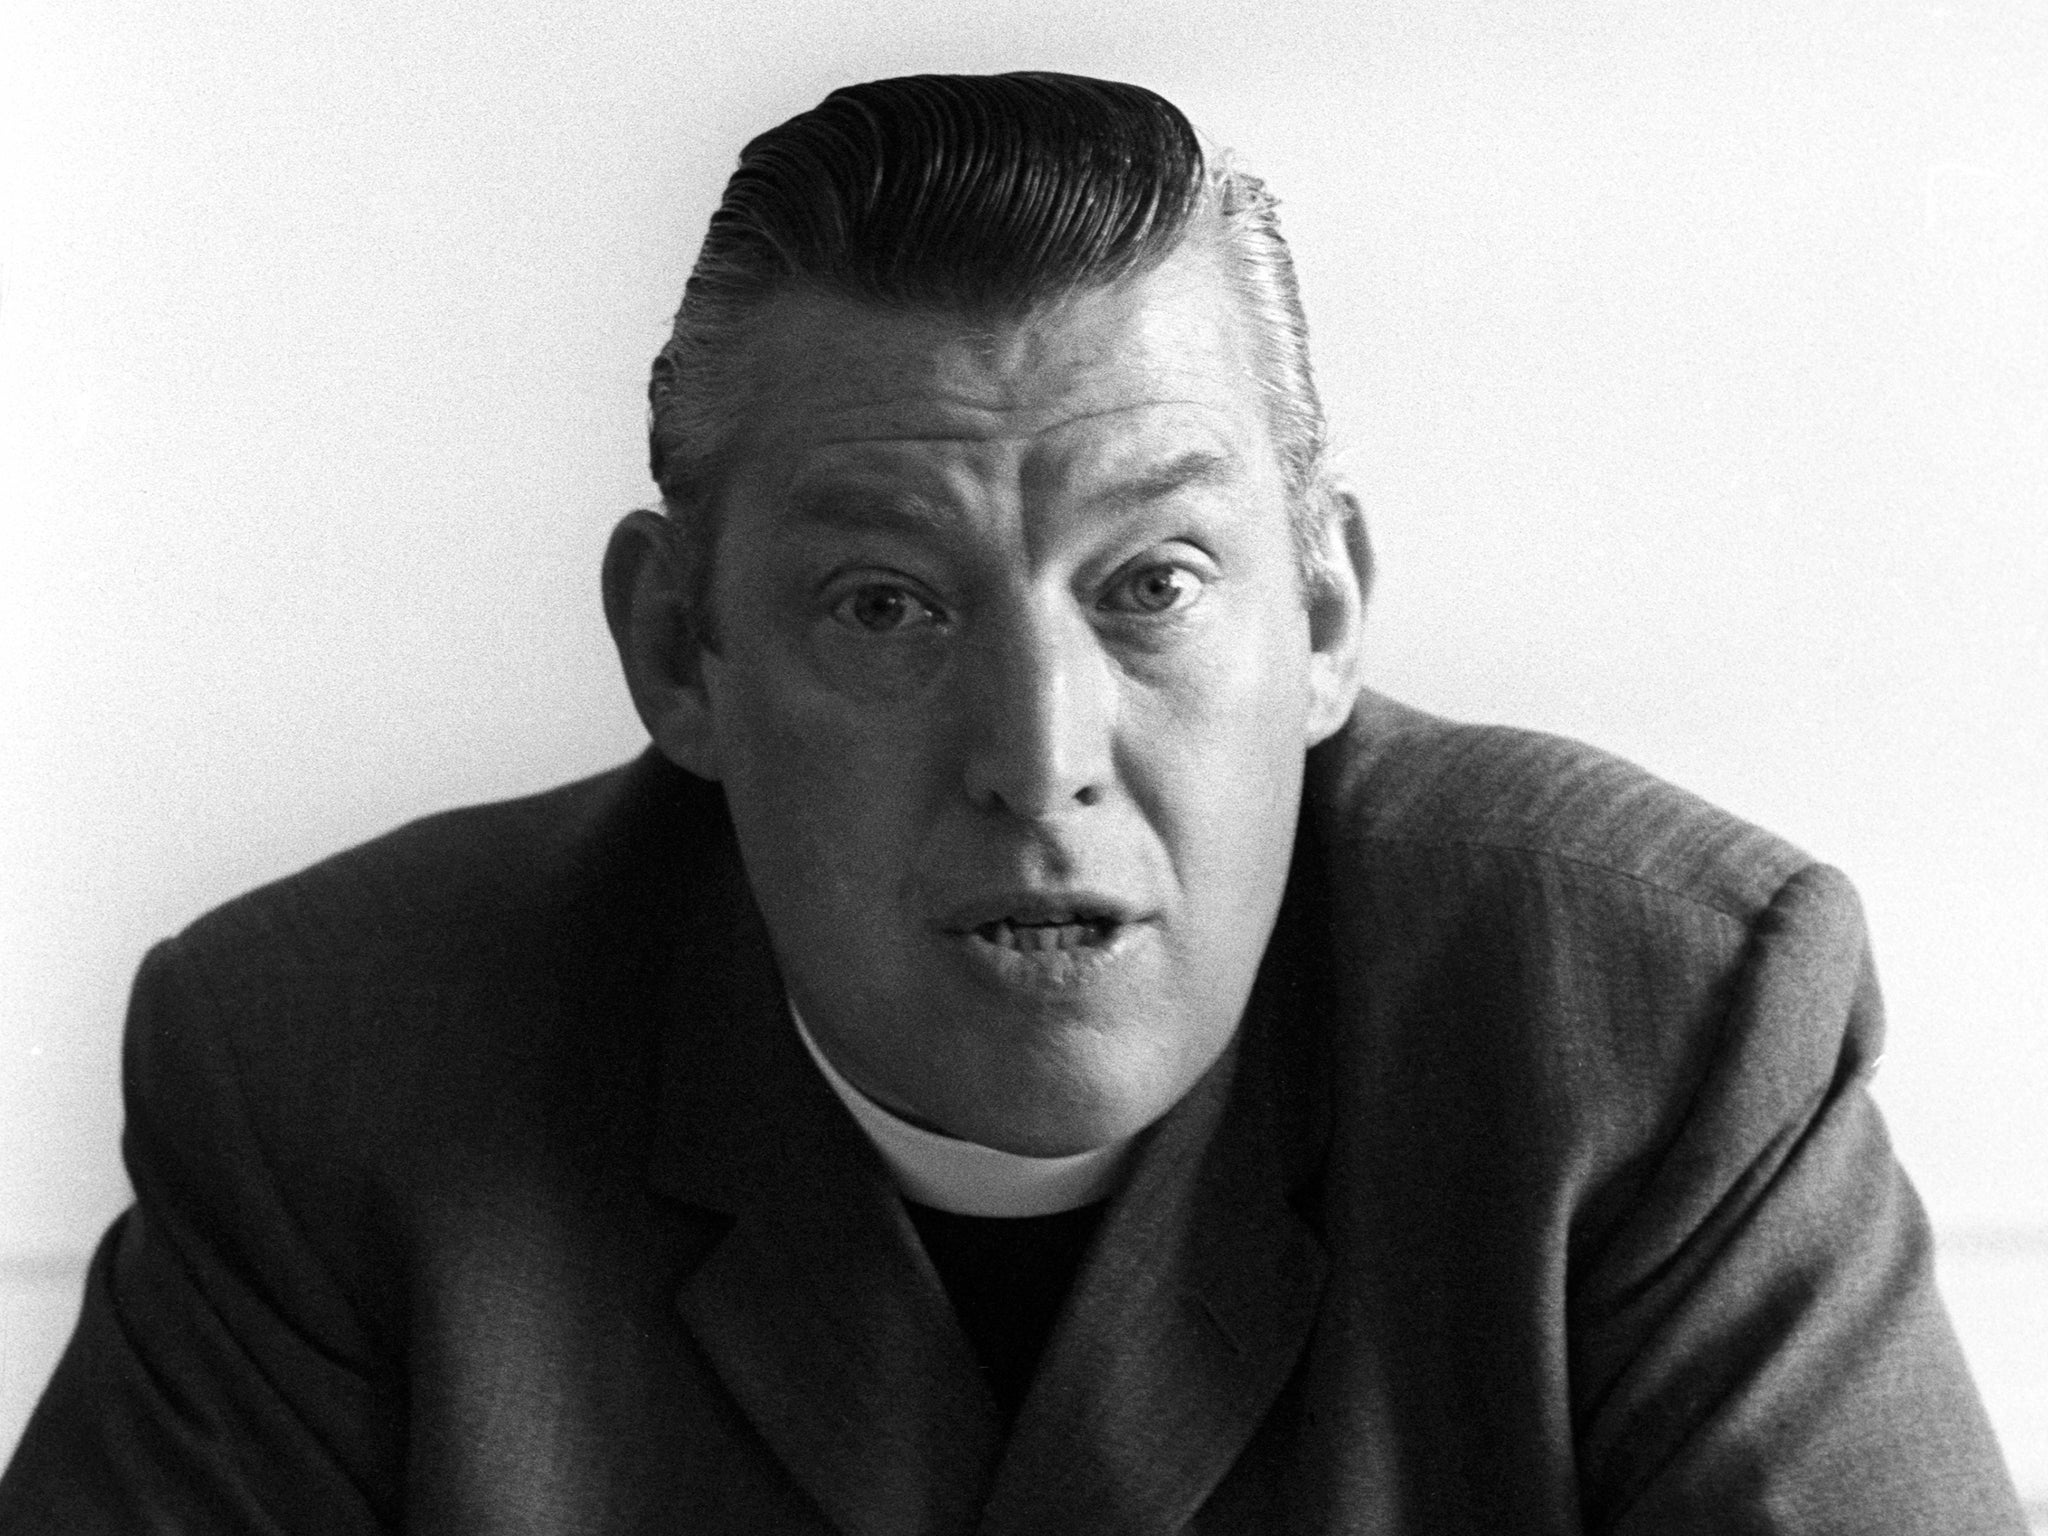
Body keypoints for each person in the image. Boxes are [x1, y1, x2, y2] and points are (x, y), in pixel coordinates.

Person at [0, 71, 2026, 1534]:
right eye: (885, 605)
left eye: (1151, 586)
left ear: (1319, 612)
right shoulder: (324, 1073)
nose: (1037, 751)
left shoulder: (1654, 1022)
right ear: (680, 652)